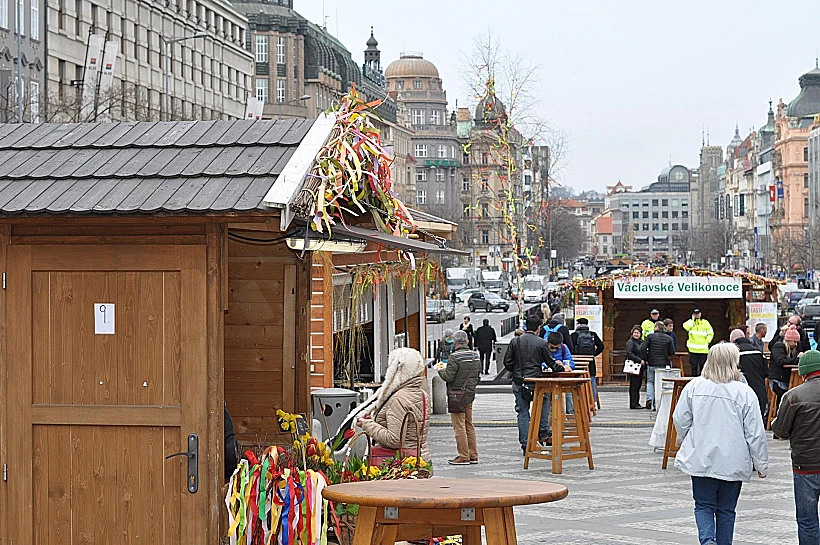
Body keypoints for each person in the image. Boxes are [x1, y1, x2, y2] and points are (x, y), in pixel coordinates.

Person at [673, 342, 768, 545]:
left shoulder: (694, 387)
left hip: (701, 457)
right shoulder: (745, 392)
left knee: (704, 505)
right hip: (733, 459)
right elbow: (755, 433)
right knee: (726, 510)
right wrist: (761, 464)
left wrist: (687, 439)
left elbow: (680, 419)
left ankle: (708, 541)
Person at [772, 350, 820, 544]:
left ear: (803, 373)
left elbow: (780, 431)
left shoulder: (793, 396)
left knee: (807, 521)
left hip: (805, 467)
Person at [503, 314, 569, 454]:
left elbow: (507, 363)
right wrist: (561, 368)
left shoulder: (515, 341)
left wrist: (517, 370)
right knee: (543, 404)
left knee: (522, 413)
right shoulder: (541, 343)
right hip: (537, 382)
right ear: (539, 328)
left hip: (519, 381)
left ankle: (526, 444)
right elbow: (551, 363)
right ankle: (543, 431)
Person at [357, 347, 431, 462]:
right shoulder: (422, 394)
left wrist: (367, 424)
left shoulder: (399, 399)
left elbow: (394, 440)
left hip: (400, 463)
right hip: (420, 457)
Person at [438, 331, 481, 465]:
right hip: (469, 394)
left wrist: (440, 370)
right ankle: (473, 455)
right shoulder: (475, 356)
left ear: (455, 343)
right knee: (469, 424)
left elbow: (448, 376)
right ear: (467, 342)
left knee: (459, 426)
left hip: (457, 395)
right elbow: (477, 376)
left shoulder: (454, 357)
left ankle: (463, 456)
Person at [731, 328, 768, 420]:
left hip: (739, 395)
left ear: (732, 340)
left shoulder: (733, 354)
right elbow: (766, 372)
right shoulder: (758, 352)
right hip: (759, 393)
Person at [640, 321, 675, 410]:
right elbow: (672, 352)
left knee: (650, 382)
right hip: (662, 364)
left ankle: (649, 399)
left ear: (656, 328)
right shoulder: (668, 338)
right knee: (659, 384)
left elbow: (642, 348)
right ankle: (657, 402)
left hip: (651, 363)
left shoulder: (650, 337)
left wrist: (646, 358)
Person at [770, 325, 803, 415]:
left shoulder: (793, 348)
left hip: (786, 378)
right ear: (789, 340)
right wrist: (798, 359)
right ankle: (780, 416)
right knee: (784, 396)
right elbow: (781, 361)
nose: (796, 344)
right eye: (794, 342)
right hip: (777, 379)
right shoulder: (779, 346)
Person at [571, 317, 604, 402]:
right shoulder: (593, 334)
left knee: (577, 381)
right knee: (591, 379)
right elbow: (601, 346)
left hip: (577, 362)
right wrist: (593, 354)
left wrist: (574, 356)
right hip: (590, 361)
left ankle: (578, 401)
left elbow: (570, 347)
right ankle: (592, 401)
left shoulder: (574, 335)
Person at [683, 308, 714, 377]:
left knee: (703, 368)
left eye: (698, 313)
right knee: (693, 367)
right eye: (695, 314)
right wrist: (692, 320)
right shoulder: (690, 323)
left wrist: (707, 341)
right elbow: (685, 327)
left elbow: (711, 333)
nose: (697, 315)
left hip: (703, 350)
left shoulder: (705, 323)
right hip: (693, 350)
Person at [626, 325, 646, 409]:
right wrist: (639, 360)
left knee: (638, 385)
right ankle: (633, 403)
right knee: (634, 385)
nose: (636, 334)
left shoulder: (641, 342)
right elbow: (629, 353)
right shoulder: (630, 342)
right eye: (635, 332)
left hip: (639, 367)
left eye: (638, 333)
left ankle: (636, 402)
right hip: (634, 366)